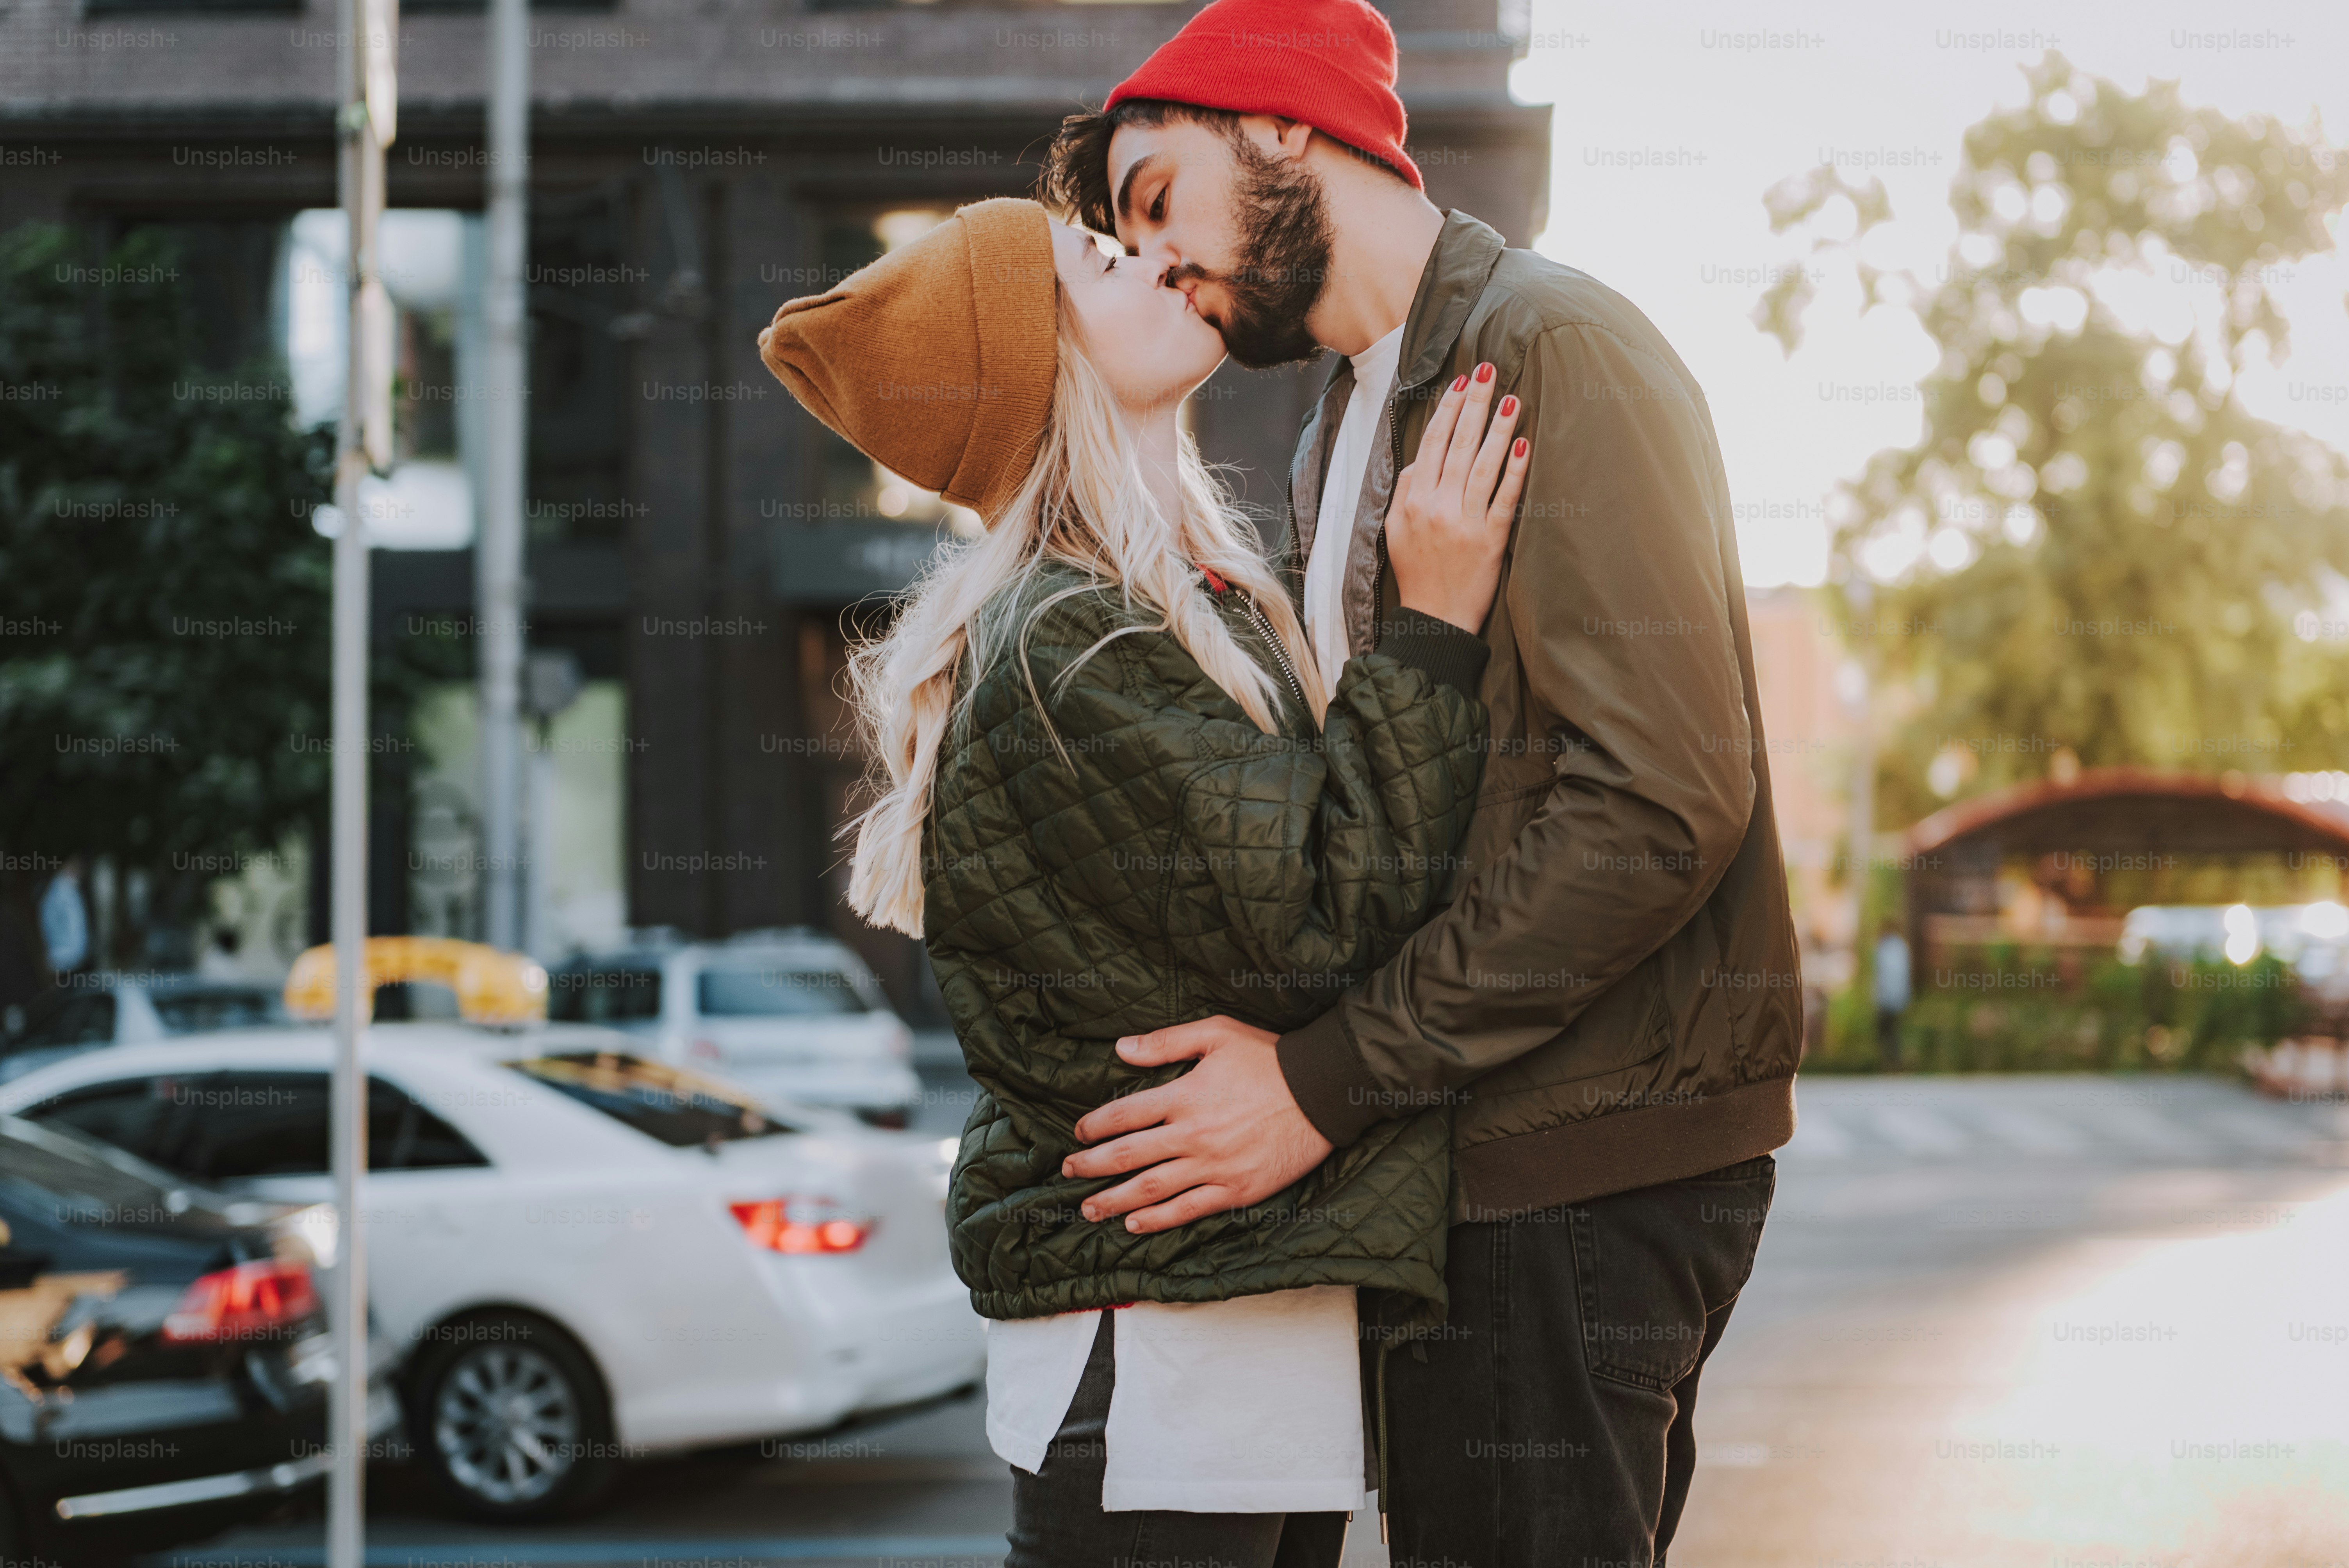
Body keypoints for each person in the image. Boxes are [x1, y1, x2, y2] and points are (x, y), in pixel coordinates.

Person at [1035, 0, 1806, 1559]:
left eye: (1152, 198)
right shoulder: (1347, 425)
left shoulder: (1547, 343)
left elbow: (1659, 800)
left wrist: (1324, 1079)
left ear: (1276, 125)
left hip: (1570, 1170)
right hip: (1467, 1157)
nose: (1151, 260)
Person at [757, 196, 1530, 1565]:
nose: (1149, 257)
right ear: (1038, 357)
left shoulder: (1182, 599)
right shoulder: (1071, 639)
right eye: (1098, 261)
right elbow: (1324, 918)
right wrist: (1435, 624)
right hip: (1161, 1362)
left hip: (1225, 1338)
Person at [1875, 926, 1912, 1067]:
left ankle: (1891, 1062)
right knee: (1893, 1031)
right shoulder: (1901, 947)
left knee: (1887, 1031)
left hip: (1888, 998)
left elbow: (1884, 976)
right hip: (1898, 996)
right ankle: (1894, 1062)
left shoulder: (1886, 949)